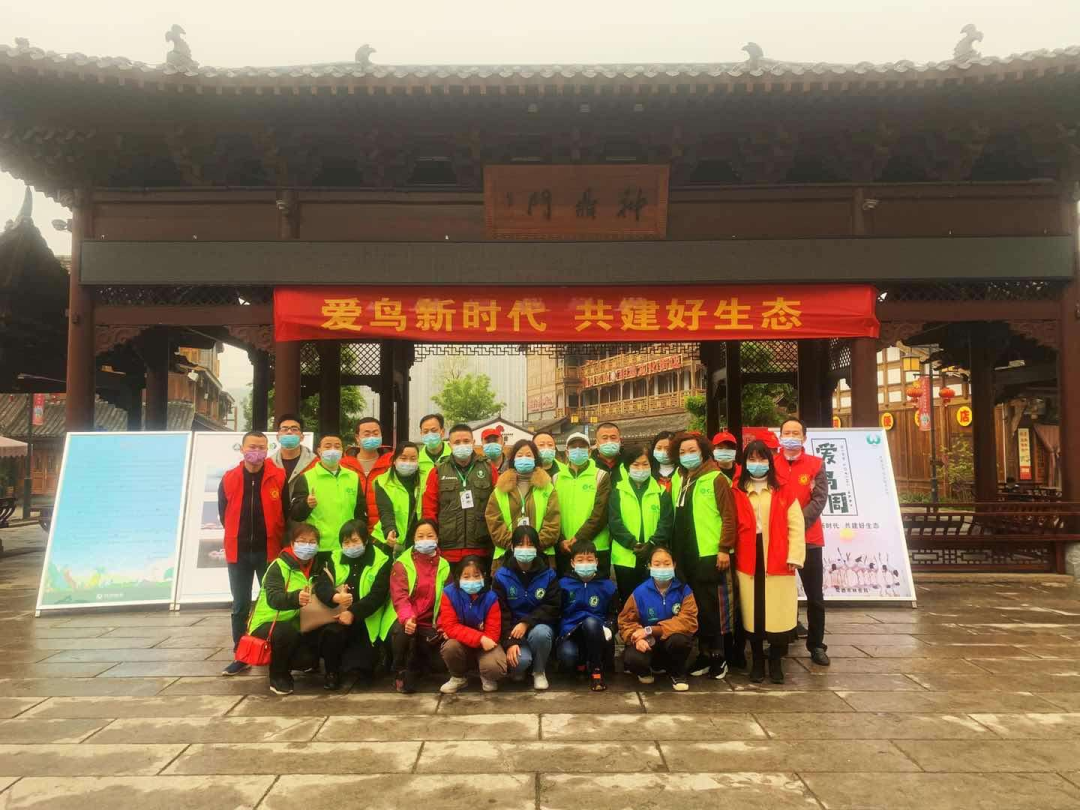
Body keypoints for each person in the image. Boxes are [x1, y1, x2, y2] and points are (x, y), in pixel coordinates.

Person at [734, 440, 805, 683]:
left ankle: (776, 662)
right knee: (753, 613)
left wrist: (795, 555)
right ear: (745, 463)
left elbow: (796, 525)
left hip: (778, 556)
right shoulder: (737, 490)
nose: (757, 464)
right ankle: (757, 662)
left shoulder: (783, 489)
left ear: (770, 461)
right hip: (748, 557)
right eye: (752, 459)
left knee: (778, 612)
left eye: (762, 458)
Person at [218, 431, 287, 676]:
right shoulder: (229, 478)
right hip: (238, 552)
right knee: (240, 605)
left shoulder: (278, 476)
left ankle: (275, 651)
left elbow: (286, 512)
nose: (256, 451)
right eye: (252, 446)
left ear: (267, 450)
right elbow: (224, 514)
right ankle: (241, 654)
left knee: (272, 602)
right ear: (242, 448)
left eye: (261, 447)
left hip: (269, 551)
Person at [670, 432, 737, 680]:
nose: (687, 456)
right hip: (685, 554)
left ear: (703, 452)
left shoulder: (716, 478)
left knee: (714, 608)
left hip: (709, 553)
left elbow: (729, 516)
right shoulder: (680, 478)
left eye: (692, 451)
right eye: (682, 452)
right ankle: (703, 654)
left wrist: (724, 548)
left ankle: (719, 656)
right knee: (696, 606)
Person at [774, 417, 830, 667]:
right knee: (782, 593)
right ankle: (781, 640)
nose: (791, 437)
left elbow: (819, 499)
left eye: (796, 433)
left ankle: (816, 645)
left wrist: (795, 524)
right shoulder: (771, 463)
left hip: (809, 540)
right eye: (786, 432)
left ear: (804, 437)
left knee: (814, 596)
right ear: (780, 436)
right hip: (779, 539)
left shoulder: (816, 464)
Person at [246, 522, 323, 696]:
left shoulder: (315, 567)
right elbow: (274, 598)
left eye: (312, 542)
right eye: (302, 541)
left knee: (308, 657)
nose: (307, 546)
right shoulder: (278, 566)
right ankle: (278, 675)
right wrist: (295, 598)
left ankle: (297, 661)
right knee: (285, 632)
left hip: (295, 622)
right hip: (267, 623)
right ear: (292, 543)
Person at [314, 519, 392, 690]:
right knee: (331, 634)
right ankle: (331, 672)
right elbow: (321, 585)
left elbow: (378, 595)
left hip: (367, 618)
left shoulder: (382, 560)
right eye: (346, 542)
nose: (350, 546)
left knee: (363, 670)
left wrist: (353, 612)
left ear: (365, 539)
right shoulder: (335, 558)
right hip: (337, 615)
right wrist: (335, 597)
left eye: (355, 541)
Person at [618, 546, 700, 691]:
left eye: (667, 564)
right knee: (632, 659)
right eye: (657, 564)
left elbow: (688, 621)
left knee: (680, 641)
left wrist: (651, 629)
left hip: (671, 642)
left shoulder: (684, 590)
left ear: (674, 565)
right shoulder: (640, 592)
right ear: (649, 566)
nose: (662, 568)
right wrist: (636, 637)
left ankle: (677, 673)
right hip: (649, 643)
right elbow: (626, 621)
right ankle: (645, 671)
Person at [492, 526, 561, 690]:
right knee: (520, 662)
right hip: (512, 631)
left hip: (538, 627)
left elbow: (553, 606)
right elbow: (500, 612)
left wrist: (527, 622)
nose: (525, 549)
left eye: (530, 545)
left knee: (542, 633)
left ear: (537, 548)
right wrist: (510, 642)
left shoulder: (548, 574)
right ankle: (522, 667)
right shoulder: (501, 576)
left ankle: (539, 671)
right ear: (512, 547)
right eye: (520, 544)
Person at [422, 423, 499, 571]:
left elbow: (498, 507)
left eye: (466, 441)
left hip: (481, 548)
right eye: (457, 442)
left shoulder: (489, 469)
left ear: (473, 443)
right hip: (448, 550)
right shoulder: (438, 471)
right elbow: (429, 509)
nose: (462, 445)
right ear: (449, 445)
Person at [387, 519, 451, 693]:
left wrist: (441, 625)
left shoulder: (444, 565)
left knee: (440, 664)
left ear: (437, 538)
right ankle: (399, 670)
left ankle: (417, 665)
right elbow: (399, 596)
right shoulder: (402, 563)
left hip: (431, 625)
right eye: (420, 536)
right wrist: (408, 618)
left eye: (430, 536)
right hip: (407, 621)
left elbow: (447, 600)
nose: (425, 540)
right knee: (402, 631)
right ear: (414, 539)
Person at [608, 443, 673, 603]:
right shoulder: (617, 491)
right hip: (625, 557)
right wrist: (632, 543)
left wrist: (651, 544)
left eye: (645, 464)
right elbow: (615, 523)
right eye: (636, 464)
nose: (641, 468)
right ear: (627, 467)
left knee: (654, 599)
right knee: (629, 600)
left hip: (654, 555)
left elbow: (666, 523)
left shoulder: (660, 492)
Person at [485, 439, 561, 572]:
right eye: (519, 455)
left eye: (528, 455)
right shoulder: (500, 489)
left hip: (542, 557)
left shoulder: (548, 488)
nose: (524, 458)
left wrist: (533, 545)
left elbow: (553, 522)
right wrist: (515, 545)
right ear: (513, 460)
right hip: (506, 557)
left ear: (535, 459)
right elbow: (494, 522)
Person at [438, 554, 507, 693]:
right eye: (466, 576)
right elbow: (450, 626)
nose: (472, 580)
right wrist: (479, 638)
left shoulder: (491, 597)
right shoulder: (449, 593)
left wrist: (481, 640)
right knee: (450, 647)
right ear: (458, 577)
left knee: (495, 667)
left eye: (476, 576)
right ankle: (458, 678)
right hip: (467, 643)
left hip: (486, 644)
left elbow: (493, 634)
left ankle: (486, 675)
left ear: (484, 576)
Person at [289, 434, 366, 555]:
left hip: (348, 545)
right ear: (319, 451)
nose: (333, 450)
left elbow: (360, 512)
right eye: (328, 446)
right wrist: (306, 504)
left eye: (337, 446)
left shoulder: (353, 477)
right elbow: (295, 515)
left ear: (342, 450)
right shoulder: (306, 477)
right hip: (320, 546)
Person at [556, 540, 617, 691]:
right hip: (571, 632)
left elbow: (614, 614)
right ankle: (581, 662)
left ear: (596, 561)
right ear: (572, 563)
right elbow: (556, 613)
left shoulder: (608, 586)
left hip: (598, 632)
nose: (585, 564)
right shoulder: (563, 585)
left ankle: (596, 670)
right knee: (568, 656)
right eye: (580, 560)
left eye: (589, 560)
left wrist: (609, 627)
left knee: (590, 622)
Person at [553, 432, 611, 577]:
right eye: (573, 447)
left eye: (582, 447)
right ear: (567, 452)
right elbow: (552, 514)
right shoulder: (556, 478)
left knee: (598, 589)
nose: (578, 450)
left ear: (589, 452)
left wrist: (578, 538)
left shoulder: (601, 476)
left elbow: (601, 513)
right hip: (565, 548)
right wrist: (561, 540)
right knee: (566, 589)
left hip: (595, 548)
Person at [370, 442, 424, 557]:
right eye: (403, 458)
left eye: (413, 458)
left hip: (418, 540)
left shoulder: (426, 479)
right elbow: (385, 511)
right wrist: (390, 530)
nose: (408, 462)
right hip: (389, 540)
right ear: (394, 460)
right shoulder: (382, 481)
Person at [342, 417, 392, 506]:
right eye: (367, 434)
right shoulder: (344, 464)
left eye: (376, 433)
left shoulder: (392, 462)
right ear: (357, 438)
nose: (372, 437)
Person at [269, 413, 316, 502]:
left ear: (302, 437)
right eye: (284, 429)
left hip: (306, 510)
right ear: (277, 437)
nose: (289, 432)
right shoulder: (268, 464)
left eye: (294, 429)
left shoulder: (316, 463)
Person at [417, 413, 452, 502]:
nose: (430, 434)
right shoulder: (416, 460)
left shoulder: (454, 457)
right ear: (421, 433)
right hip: (424, 508)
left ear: (442, 432)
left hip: (449, 508)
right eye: (425, 431)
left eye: (434, 430)